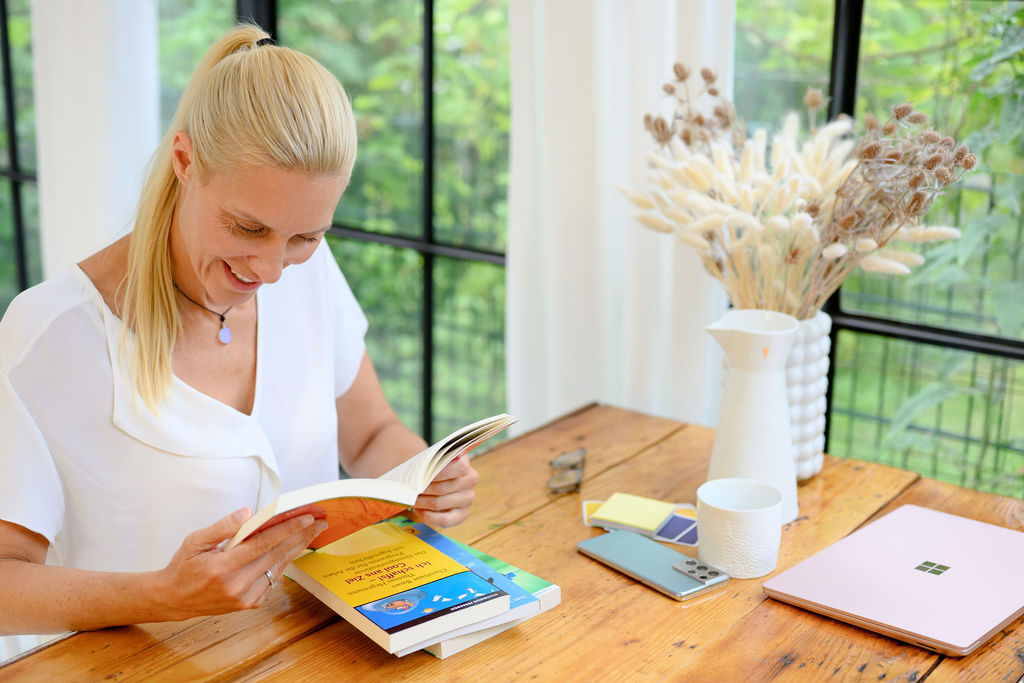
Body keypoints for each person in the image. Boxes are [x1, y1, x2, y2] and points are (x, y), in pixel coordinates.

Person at [0, 24, 479, 641]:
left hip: (313, 653)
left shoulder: (308, 276)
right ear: (184, 161)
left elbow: (372, 435)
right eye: (249, 228)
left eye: (306, 236)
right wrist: (161, 596)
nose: (274, 270)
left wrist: (424, 480)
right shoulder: (52, 336)